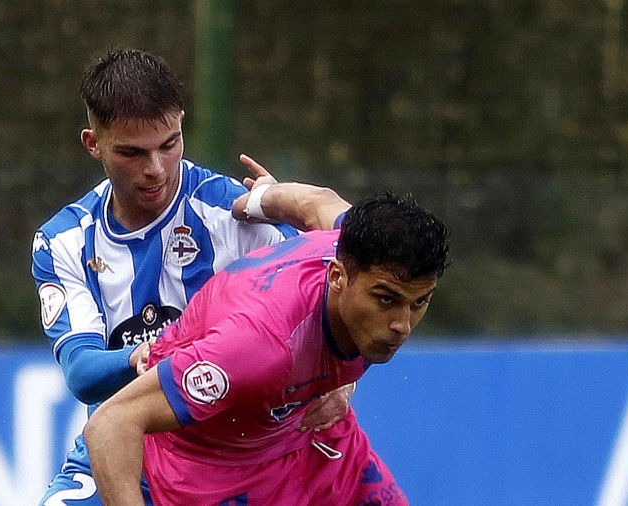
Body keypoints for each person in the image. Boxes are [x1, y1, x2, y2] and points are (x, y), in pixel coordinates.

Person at [31, 49, 353, 506]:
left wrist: (343, 381)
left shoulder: (235, 214)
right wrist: (153, 356)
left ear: (182, 123)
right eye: (132, 152)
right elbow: (82, 372)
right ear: (93, 143)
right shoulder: (64, 240)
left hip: (232, 452)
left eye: (169, 143)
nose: (156, 169)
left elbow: (338, 295)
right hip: (129, 443)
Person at [84, 191, 450, 505]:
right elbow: (111, 423)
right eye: (386, 299)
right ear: (338, 277)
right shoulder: (257, 347)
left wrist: (256, 201)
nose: (402, 326)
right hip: (213, 469)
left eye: (419, 303)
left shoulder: (353, 239)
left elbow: (316, 201)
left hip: (304, 435)